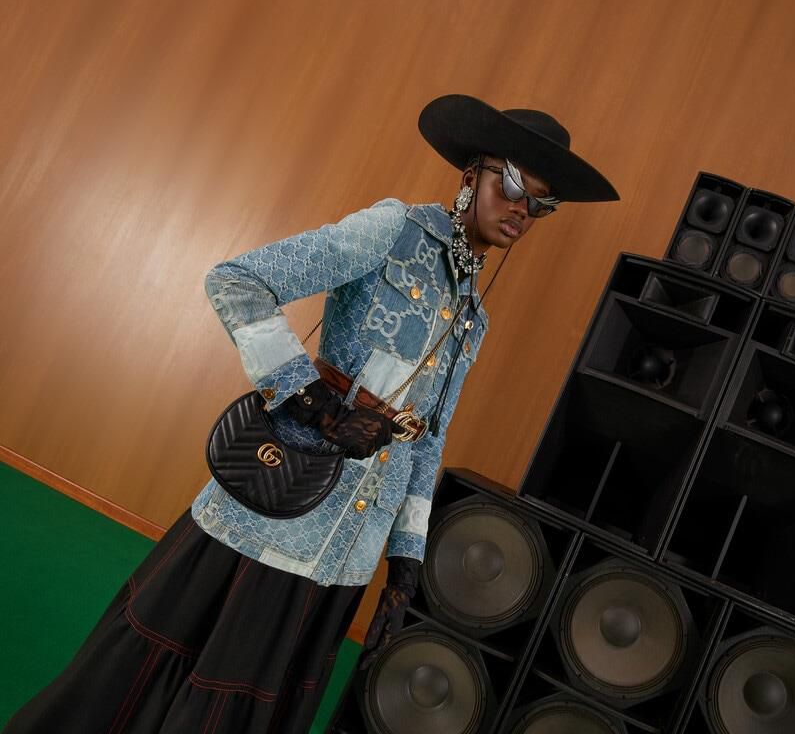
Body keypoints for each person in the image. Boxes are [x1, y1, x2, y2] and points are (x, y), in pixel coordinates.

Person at [4, 94, 618, 733]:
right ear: (472, 173)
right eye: (514, 185)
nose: (522, 209)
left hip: (347, 556)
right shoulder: (392, 230)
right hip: (276, 511)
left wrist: (405, 565)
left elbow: (427, 440)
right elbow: (236, 281)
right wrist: (313, 402)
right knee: (159, 684)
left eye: (541, 203)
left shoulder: (474, 317)